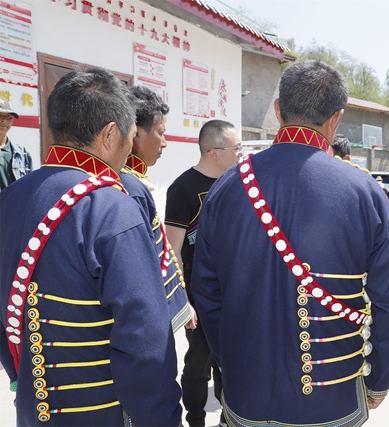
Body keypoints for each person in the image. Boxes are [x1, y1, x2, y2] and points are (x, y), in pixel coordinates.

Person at [191, 60, 389, 427]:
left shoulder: (226, 188)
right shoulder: (364, 191)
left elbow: (208, 295)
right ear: (336, 118)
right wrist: (378, 380)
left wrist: (232, 364)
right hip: (332, 399)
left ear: (278, 110)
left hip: (247, 396)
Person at [0, 67, 182, 426]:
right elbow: (145, 343)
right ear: (111, 134)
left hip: (33, 410)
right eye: (131, 135)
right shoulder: (111, 208)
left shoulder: (10, 199)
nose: (131, 148)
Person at [165, 119, 243, 427]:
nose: (240, 154)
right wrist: (184, 301)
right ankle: (195, 419)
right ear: (213, 152)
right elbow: (172, 250)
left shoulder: (236, 184)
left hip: (231, 291)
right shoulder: (183, 188)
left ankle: (228, 418)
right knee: (198, 362)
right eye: (235, 148)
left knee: (229, 361)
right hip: (197, 293)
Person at [120, 85, 192, 333]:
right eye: (161, 133)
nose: (165, 143)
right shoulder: (128, 184)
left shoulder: (133, 179)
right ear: (136, 133)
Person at [0, 97, 32, 191]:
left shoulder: (22, 153)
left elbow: (30, 187)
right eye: (0, 116)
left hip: (14, 205)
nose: (4, 120)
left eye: (8, 117)